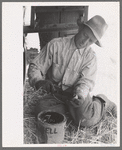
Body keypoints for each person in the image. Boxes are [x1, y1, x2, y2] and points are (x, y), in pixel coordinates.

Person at [28, 15, 117, 128]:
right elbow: (36, 66)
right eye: (85, 35)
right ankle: (73, 113)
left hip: (76, 97)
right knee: (41, 110)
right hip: (56, 95)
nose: (85, 41)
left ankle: (102, 102)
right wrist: (38, 81)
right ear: (80, 29)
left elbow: (86, 82)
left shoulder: (90, 57)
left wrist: (81, 95)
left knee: (86, 120)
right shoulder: (56, 45)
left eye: (91, 40)